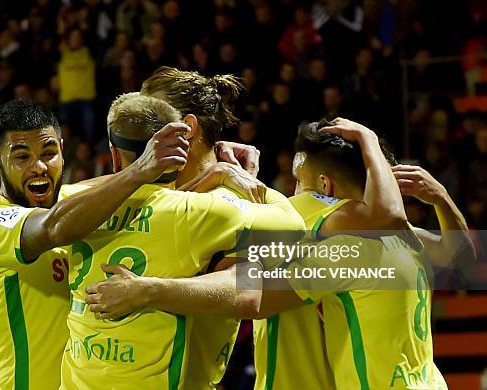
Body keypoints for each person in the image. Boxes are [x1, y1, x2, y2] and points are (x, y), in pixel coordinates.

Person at [87, 118, 472, 389]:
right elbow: (465, 262)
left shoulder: (335, 235)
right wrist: (440, 197)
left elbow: (249, 294)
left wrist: (149, 289)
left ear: (323, 186)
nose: (292, 194)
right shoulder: (404, 240)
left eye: (298, 182)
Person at [59, 93, 304, 389]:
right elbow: (292, 229)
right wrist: (240, 178)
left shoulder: (70, 202)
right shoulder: (196, 213)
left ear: (112, 154)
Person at [0, 98, 190, 389]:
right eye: (21, 157)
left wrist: (218, 170)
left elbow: (154, 188)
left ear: (62, 149)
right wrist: (137, 171)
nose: (39, 167)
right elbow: (55, 226)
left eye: (49, 153)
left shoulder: (80, 204)